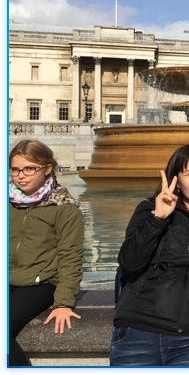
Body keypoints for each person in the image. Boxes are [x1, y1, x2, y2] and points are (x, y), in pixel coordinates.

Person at [110, 144, 189, 366]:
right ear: (176, 180)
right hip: (139, 330)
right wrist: (157, 219)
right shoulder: (149, 209)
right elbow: (129, 261)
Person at [9, 139, 84, 366]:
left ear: (47, 168)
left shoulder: (64, 207)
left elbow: (70, 258)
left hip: (41, 283)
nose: (21, 176)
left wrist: (63, 303)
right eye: (15, 169)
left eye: (29, 168)